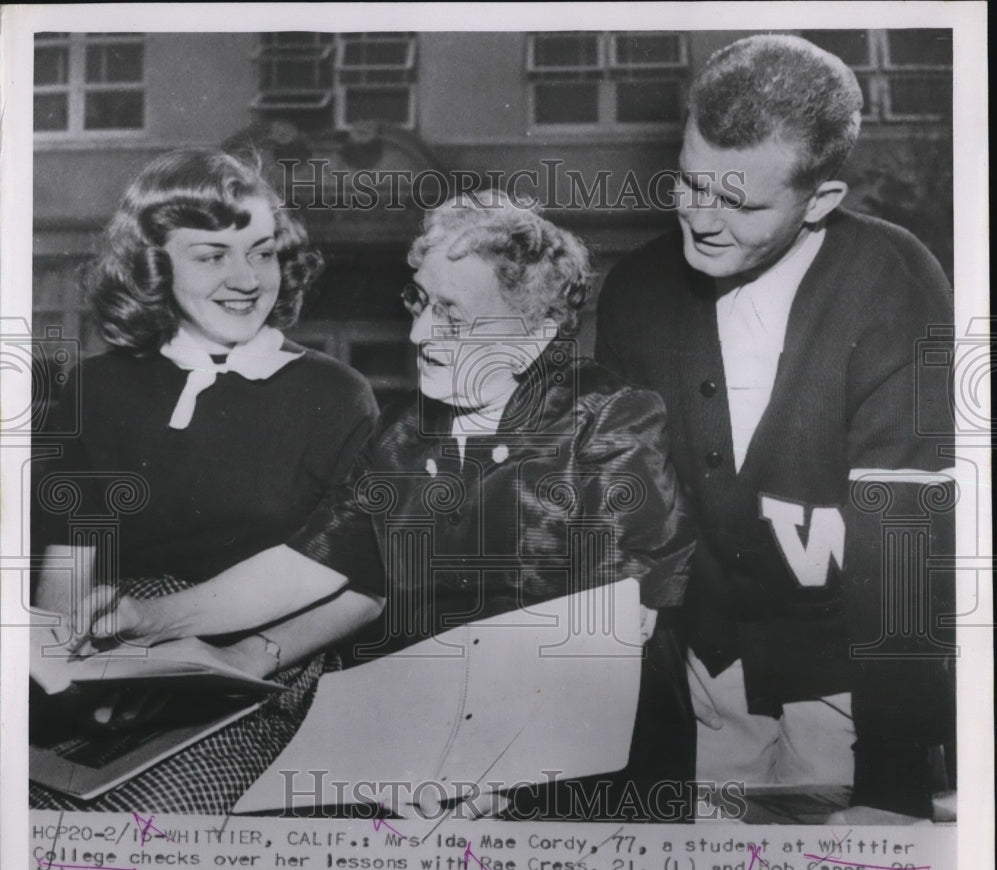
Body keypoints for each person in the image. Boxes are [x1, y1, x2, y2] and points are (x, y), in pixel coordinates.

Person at [80, 193, 698, 821]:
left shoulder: (611, 420)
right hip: (431, 756)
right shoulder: (403, 433)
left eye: (452, 315)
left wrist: (497, 775)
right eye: (420, 300)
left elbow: (608, 631)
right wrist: (156, 617)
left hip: (579, 770)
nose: (420, 332)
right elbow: (312, 561)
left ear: (533, 335)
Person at [595, 34, 955, 822]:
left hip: (848, 679)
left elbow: (905, 543)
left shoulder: (896, 284)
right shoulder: (635, 290)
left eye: (743, 204)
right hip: (697, 672)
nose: (701, 221)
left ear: (819, 199)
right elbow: (622, 521)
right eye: (690, 184)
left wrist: (892, 779)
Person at [31, 148, 382, 813]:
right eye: (211, 255)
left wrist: (249, 655)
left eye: (262, 251)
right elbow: (71, 554)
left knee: (145, 828)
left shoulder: (335, 394)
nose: (246, 278)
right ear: (153, 268)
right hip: (111, 657)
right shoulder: (98, 387)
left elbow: (365, 590)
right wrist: (60, 665)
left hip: (258, 675)